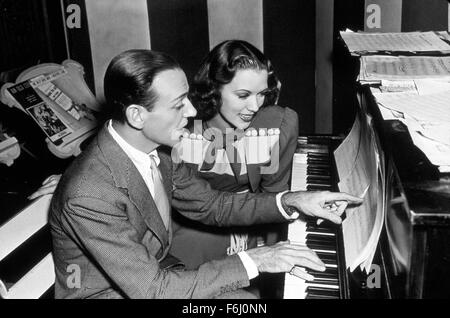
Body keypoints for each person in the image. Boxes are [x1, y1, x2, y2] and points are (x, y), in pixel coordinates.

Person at [46, 49, 361, 298]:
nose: (193, 112)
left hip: (158, 277)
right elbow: (154, 291)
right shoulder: (89, 194)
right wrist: (259, 259)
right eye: (179, 104)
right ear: (137, 115)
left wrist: (292, 200)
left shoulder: (160, 151)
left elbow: (214, 205)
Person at [170, 40, 298, 272]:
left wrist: (279, 260)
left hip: (250, 222)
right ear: (213, 89)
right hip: (194, 227)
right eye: (243, 95)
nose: (255, 106)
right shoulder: (182, 133)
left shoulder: (276, 125)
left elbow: (273, 198)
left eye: (262, 94)